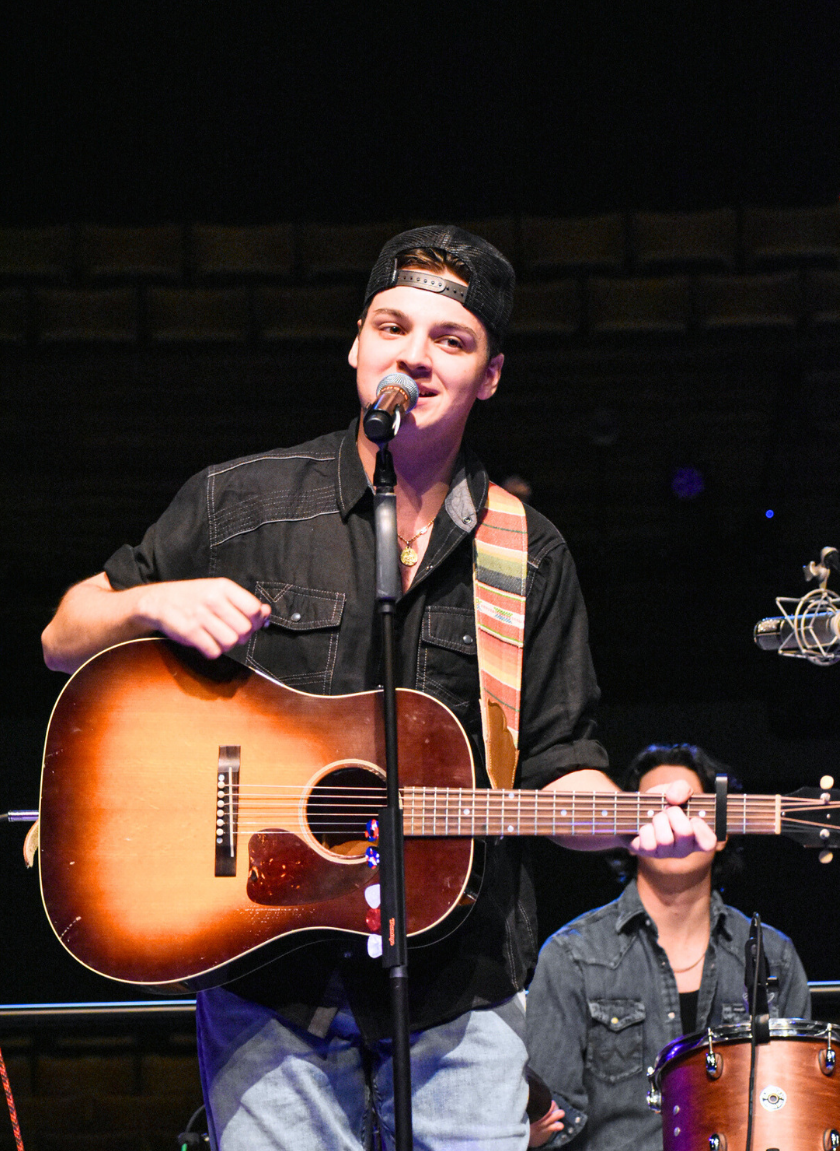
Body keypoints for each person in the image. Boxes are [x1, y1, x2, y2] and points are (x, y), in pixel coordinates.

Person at [41, 227, 717, 1151]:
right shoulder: (242, 501)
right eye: (393, 326)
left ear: (490, 376)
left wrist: (627, 815)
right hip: (265, 978)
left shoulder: (528, 551)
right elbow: (63, 634)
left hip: (461, 986)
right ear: (357, 342)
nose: (414, 355)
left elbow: (559, 767)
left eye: (452, 339)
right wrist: (154, 602)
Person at [525, 743, 812, 1151]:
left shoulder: (775, 957)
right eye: (652, 809)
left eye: (688, 807)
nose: (671, 821)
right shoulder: (570, 956)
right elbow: (553, 1122)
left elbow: (796, 1112)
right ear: (624, 831)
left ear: (722, 832)